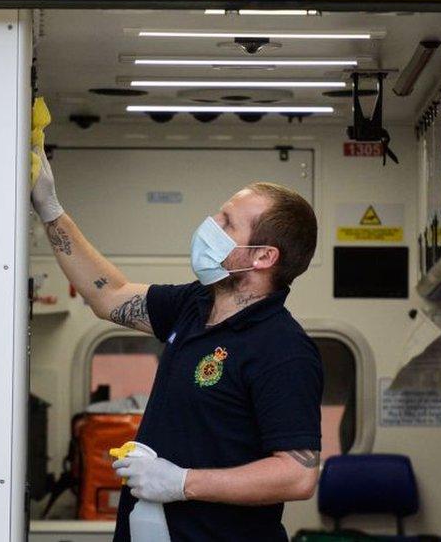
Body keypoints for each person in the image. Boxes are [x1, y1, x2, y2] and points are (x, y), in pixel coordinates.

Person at [31, 146, 323, 541]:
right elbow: (109, 295)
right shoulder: (194, 304)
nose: (209, 226)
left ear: (264, 256)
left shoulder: (282, 349)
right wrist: (50, 209)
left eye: (226, 223)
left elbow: (297, 474)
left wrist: (184, 482)